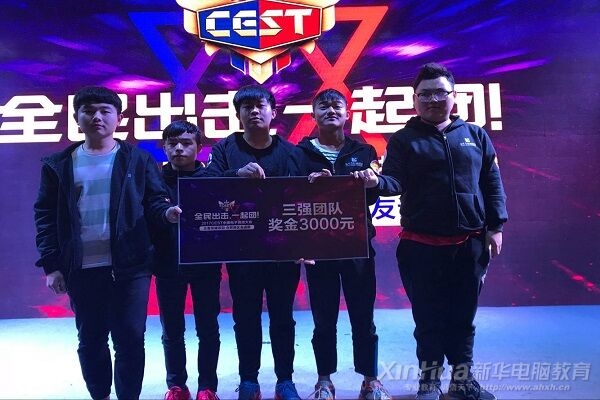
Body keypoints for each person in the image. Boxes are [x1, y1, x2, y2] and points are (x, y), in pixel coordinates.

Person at [33, 86, 181, 400]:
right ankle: (99, 394)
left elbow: (155, 201)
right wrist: (52, 266)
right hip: (81, 267)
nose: (97, 117)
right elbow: (45, 216)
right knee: (91, 339)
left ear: (118, 118)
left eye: (105, 111)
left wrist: (167, 213)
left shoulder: (137, 159)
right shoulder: (59, 164)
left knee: (130, 339)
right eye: (88, 111)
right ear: (76, 118)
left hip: (131, 265)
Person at [381, 63, 508, 400]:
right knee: (428, 319)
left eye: (440, 92)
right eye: (425, 94)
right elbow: (392, 181)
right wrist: (373, 183)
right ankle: (429, 382)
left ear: (454, 96)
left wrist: (496, 226)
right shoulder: (403, 140)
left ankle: (462, 381)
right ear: (414, 99)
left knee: (463, 319)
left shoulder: (475, 135)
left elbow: (492, 182)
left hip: (469, 244)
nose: (433, 99)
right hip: (420, 246)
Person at [296, 89, 399, 400]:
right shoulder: (299, 153)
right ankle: (324, 381)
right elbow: (288, 196)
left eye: (336, 105)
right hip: (318, 248)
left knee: (363, 317)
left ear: (347, 113)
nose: (330, 110)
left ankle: (370, 380)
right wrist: (310, 187)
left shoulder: (364, 151)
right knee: (323, 319)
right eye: (323, 106)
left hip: (357, 246)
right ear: (312, 115)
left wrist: (373, 182)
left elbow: (383, 189)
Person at [203, 84, 302, 400]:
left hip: (282, 248)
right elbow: (204, 186)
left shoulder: (292, 152)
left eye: (261, 106)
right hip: (241, 248)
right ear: (238, 115)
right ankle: (249, 380)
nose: (254, 112)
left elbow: (304, 199)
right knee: (245, 317)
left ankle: (285, 380)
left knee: (282, 316)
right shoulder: (224, 149)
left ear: (274, 112)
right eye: (247, 107)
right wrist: (236, 175)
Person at [152, 121, 222, 400]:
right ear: (164, 147)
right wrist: (164, 214)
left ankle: (207, 387)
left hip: (205, 264)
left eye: (186, 143)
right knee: (172, 330)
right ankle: (177, 386)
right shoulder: (154, 179)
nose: (179, 148)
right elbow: (149, 211)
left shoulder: (212, 179)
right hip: (167, 264)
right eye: (172, 143)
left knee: (208, 329)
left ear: (199, 147)